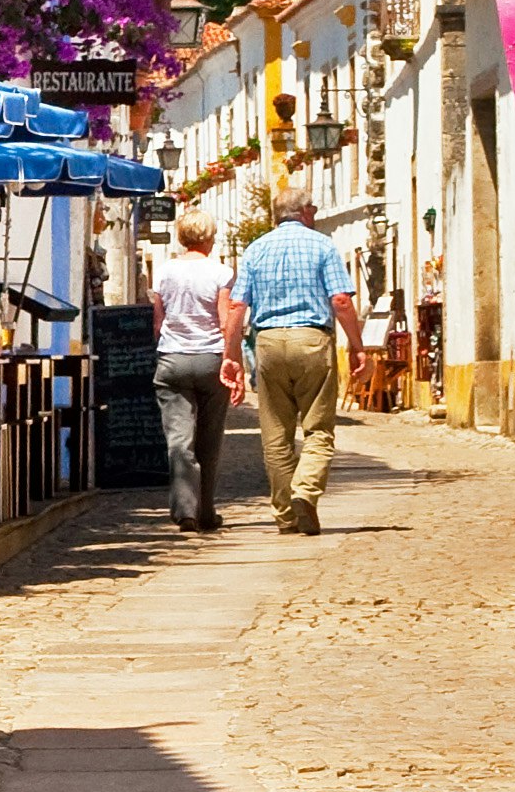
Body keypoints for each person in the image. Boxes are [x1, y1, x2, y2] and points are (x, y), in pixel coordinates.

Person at [225, 191, 361, 536]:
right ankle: (305, 490)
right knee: (318, 428)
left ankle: (286, 516)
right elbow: (341, 300)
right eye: (312, 208)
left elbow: (237, 308)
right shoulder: (323, 246)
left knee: (276, 434)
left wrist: (232, 357)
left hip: (268, 342)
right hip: (312, 340)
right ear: (303, 212)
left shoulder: (256, 249)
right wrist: (358, 346)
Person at [148, 212, 236, 532]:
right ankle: (207, 512)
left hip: (173, 358)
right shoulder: (221, 272)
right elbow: (225, 321)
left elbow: (158, 321)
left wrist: (167, 344)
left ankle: (186, 511)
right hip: (211, 358)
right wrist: (231, 358)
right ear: (209, 238)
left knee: (178, 440)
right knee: (210, 440)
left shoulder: (165, 271)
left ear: (182, 237)